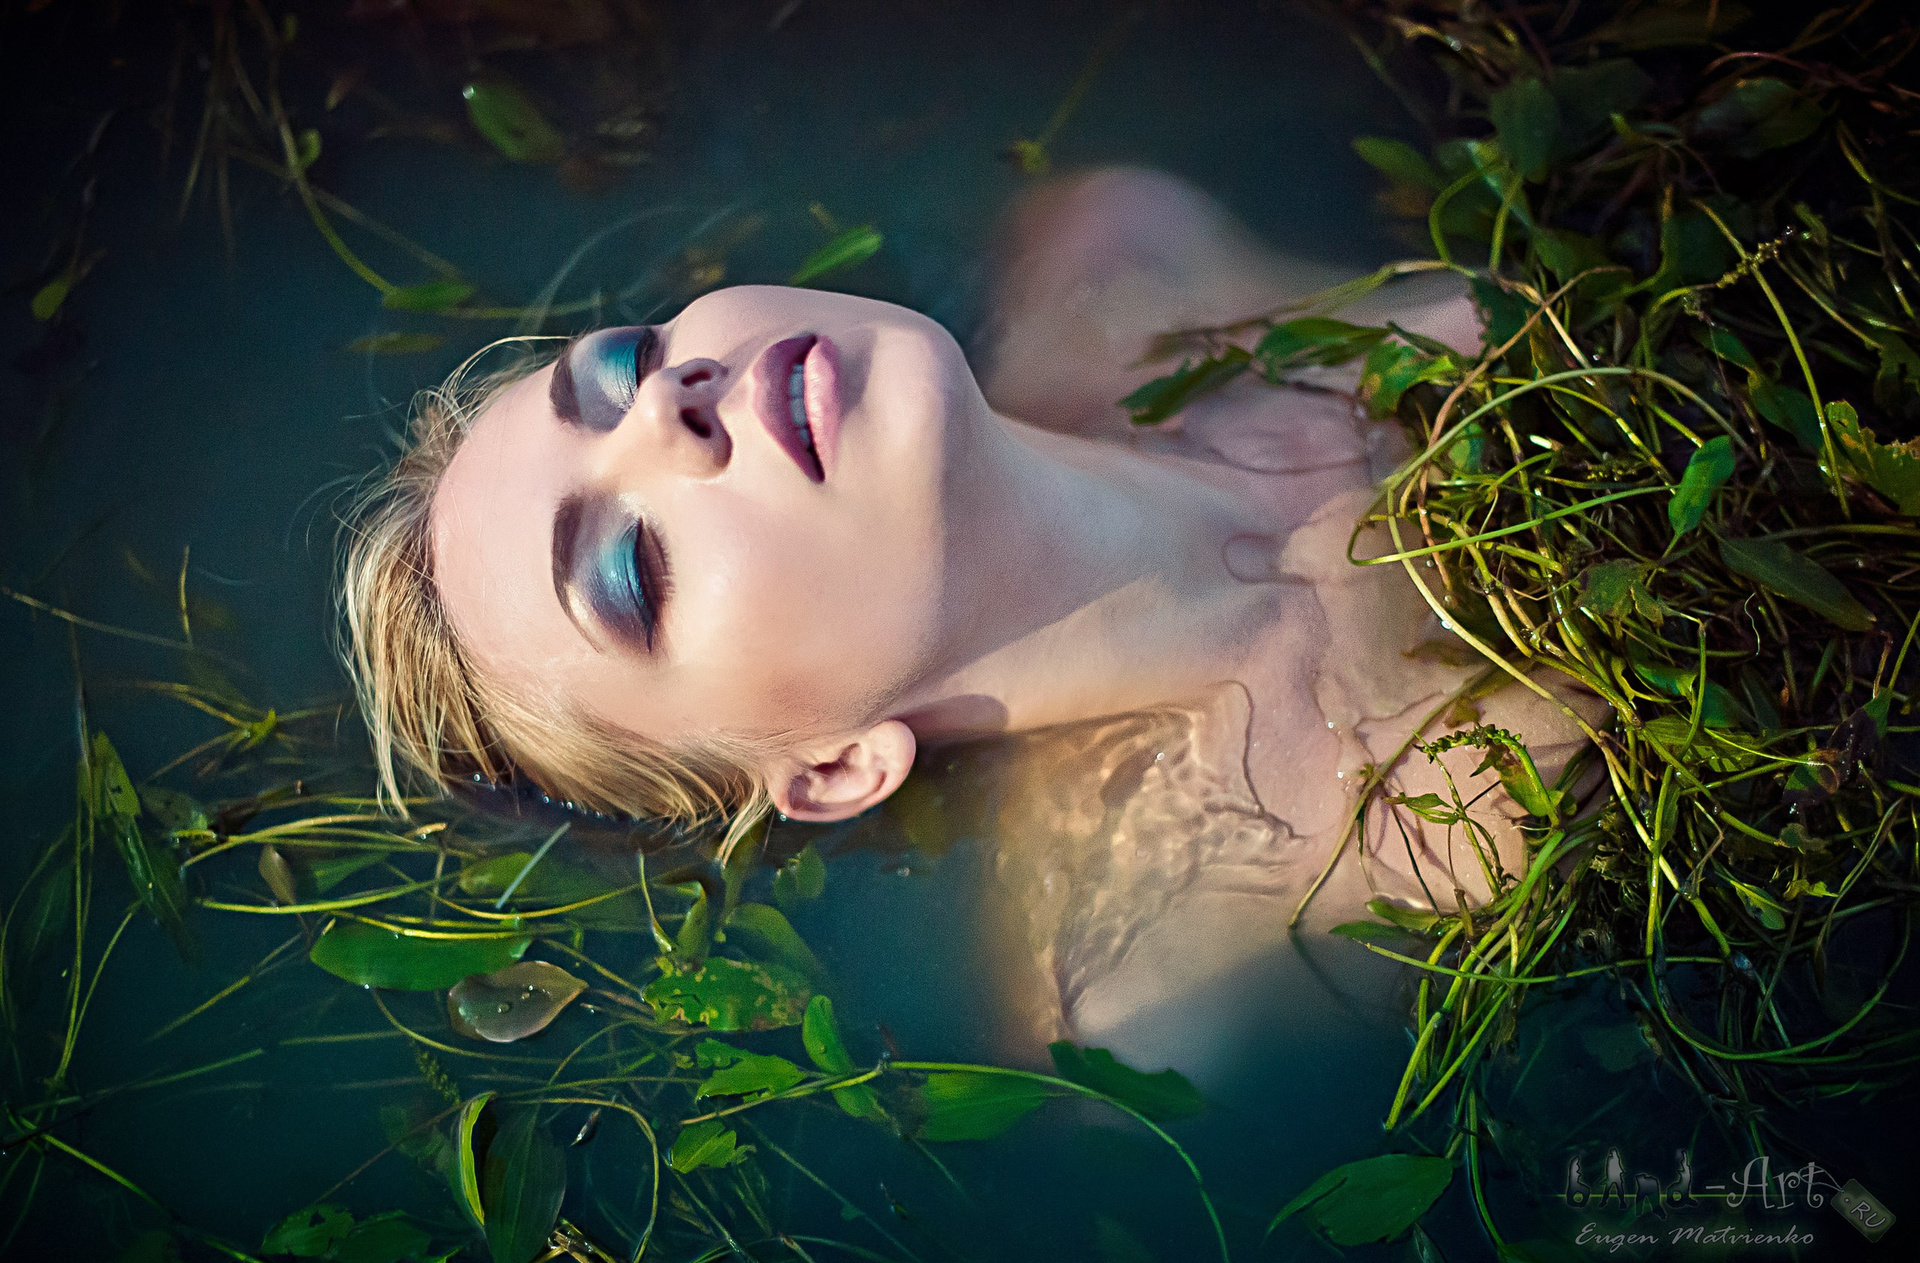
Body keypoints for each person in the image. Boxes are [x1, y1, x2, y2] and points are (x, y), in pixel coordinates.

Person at [339, 167, 1607, 1060]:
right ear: (836, 769)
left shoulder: (1123, 244)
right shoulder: (1152, 994)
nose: (669, 405)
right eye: (629, 572)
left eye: (620, 368)